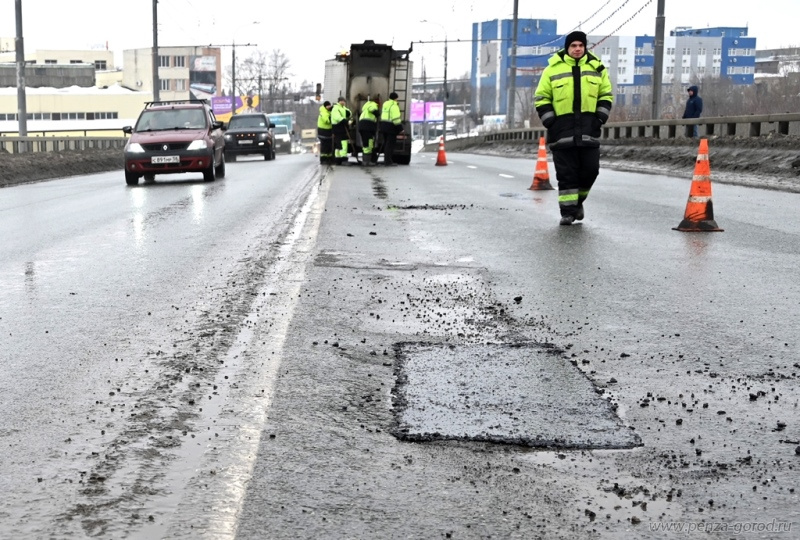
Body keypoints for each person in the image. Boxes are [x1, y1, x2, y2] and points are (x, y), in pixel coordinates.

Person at [534, 30, 613, 226]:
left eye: (580, 45)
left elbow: (606, 95)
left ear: (585, 47)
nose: (577, 49)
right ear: (567, 48)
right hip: (562, 132)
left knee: (590, 171)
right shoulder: (552, 70)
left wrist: (600, 118)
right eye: (573, 46)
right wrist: (551, 122)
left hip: (589, 130)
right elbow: (542, 98)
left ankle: (578, 202)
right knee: (567, 175)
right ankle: (567, 213)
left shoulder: (597, 68)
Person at [379, 91, 403, 166]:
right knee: (390, 145)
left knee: (386, 143)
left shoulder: (385, 104)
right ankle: (388, 161)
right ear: (396, 98)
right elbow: (395, 118)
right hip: (391, 127)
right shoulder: (394, 105)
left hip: (383, 125)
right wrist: (400, 128)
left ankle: (386, 160)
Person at [358, 96, 380, 165]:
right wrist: (376, 112)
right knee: (369, 143)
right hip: (367, 126)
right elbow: (371, 109)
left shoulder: (365, 107)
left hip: (362, 125)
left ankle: (366, 160)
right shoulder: (373, 104)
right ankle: (367, 161)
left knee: (366, 143)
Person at [331, 96, 352, 165]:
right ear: (340, 101)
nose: (344, 102)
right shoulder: (336, 108)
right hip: (338, 127)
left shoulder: (342, 108)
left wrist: (348, 114)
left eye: (344, 101)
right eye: (343, 101)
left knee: (339, 144)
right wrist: (345, 121)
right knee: (343, 143)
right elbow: (337, 117)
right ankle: (343, 159)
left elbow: (349, 113)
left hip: (341, 127)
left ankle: (338, 159)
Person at [317, 100, 334, 165]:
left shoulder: (328, 112)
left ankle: (329, 158)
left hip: (328, 131)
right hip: (323, 131)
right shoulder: (323, 112)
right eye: (328, 106)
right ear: (325, 106)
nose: (329, 107)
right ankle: (323, 159)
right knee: (324, 146)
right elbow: (327, 121)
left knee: (329, 146)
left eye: (330, 105)